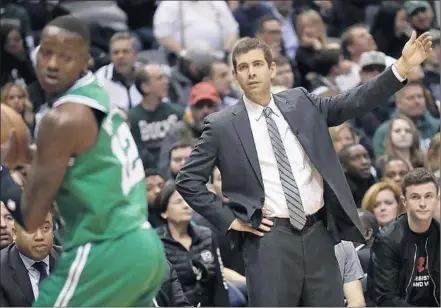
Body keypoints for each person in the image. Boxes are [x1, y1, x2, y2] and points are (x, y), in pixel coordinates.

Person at [175, 32, 433, 306]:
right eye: (243, 67)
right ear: (236, 76)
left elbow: (354, 100)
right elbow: (188, 179)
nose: (251, 73)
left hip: (318, 232)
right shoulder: (222, 125)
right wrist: (230, 219)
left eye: (257, 64)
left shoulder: (301, 101)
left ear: (272, 69)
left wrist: (401, 67)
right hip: (268, 239)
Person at [3, 15, 166, 306]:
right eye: (47, 51)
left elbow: (31, 217)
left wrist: (2, 171)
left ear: (85, 61)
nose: (52, 64)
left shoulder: (64, 118)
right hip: (143, 246)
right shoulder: (97, 97)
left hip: (105, 250)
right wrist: (26, 156)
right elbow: (75, 161)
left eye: (66, 57)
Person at [368, 168, 440, 307]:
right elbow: (385, 298)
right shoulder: (387, 240)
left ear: (437, 199)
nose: (423, 204)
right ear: (404, 201)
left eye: (429, 196)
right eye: (415, 197)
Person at [0, 211, 62, 307]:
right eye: (30, 229)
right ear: (14, 233)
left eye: (45, 228)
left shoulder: (71, 260)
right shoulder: (2, 269)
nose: (39, 237)